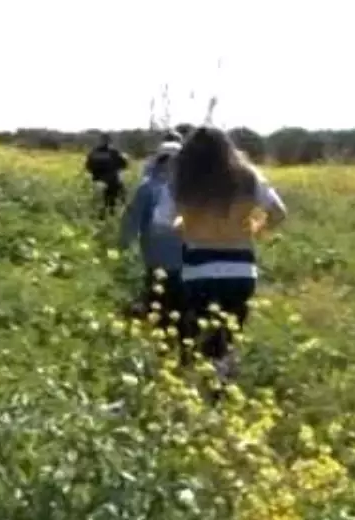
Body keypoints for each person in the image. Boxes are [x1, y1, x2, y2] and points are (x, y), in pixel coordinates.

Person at [151, 125, 287, 376]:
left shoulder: (181, 181)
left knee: (201, 337)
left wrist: (186, 228)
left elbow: (160, 223)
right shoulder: (248, 176)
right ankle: (223, 385)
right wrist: (254, 228)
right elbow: (279, 212)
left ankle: (201, 389)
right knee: (228, 336)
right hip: (241, 270)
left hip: (198, 271)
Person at [119, 139, 185, 328]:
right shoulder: (188, 188)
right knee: (172, 297)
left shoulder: (149, 186)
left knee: (160, 294)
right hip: (175, 254)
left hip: (160, 253)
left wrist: (124, 242)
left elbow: (132, 219)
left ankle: (162, 332)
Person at [85, 133, 129, 217]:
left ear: (100, 141)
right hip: (112, 181)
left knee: (99, 203)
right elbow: (124, 164)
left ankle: (99, 217)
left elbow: (88, 166)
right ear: (109, 141)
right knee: (114, 201)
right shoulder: (114, 152)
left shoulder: (94, 152)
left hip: (97, 181)